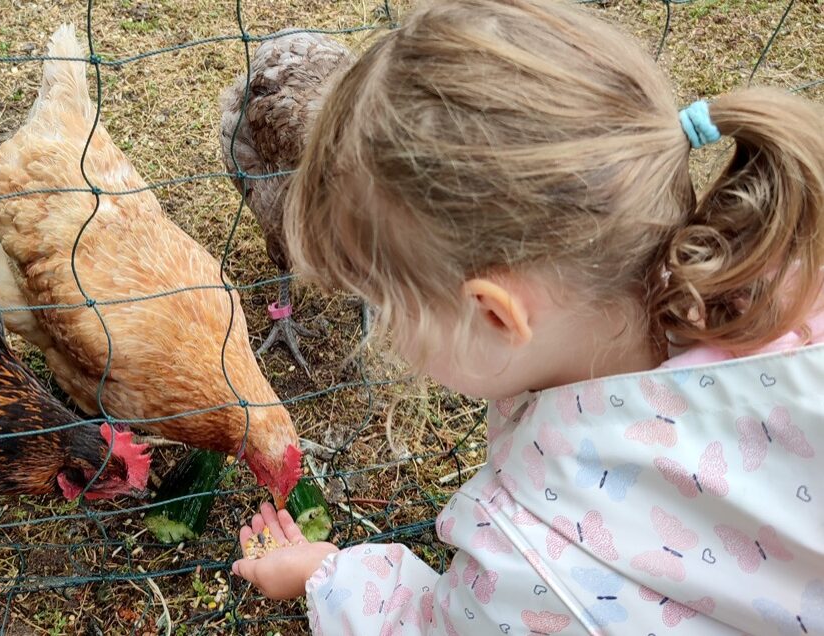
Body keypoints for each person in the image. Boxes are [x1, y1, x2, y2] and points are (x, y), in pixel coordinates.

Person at [230, 0, 824, 633]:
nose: (388, 336)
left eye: (389, 303)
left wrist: (328, 575)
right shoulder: (784, 298)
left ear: (493, 315)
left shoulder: (533, 568)